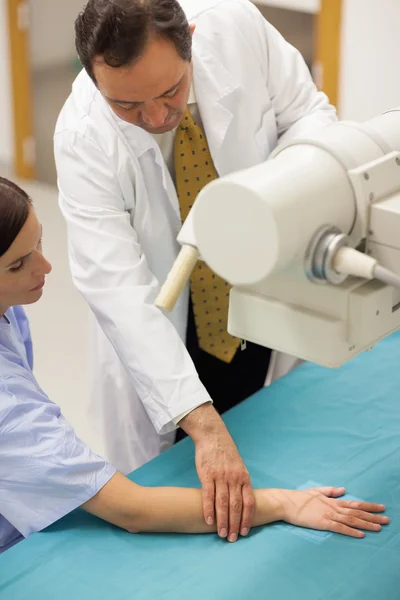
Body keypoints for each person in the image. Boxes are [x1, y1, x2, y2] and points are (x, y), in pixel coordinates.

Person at [54, 0, 338, 542]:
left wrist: (270, 201)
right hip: (164, 328)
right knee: (183, 489)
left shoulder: (235, 26)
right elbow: (117, 289)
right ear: (93, 76)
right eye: (128, 104)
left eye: (170, 92)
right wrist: (204, 425)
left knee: (274, 432)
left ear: (190, 38)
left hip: (258, 285)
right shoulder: (83, 135)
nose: (158, 118)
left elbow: (310, 117)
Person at [0, 177, 390, 554]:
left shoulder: (9, 311)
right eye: (18, 265)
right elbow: (130, 508)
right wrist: (282, 503)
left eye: (39, 244)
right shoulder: (9, 408)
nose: (46, 267)